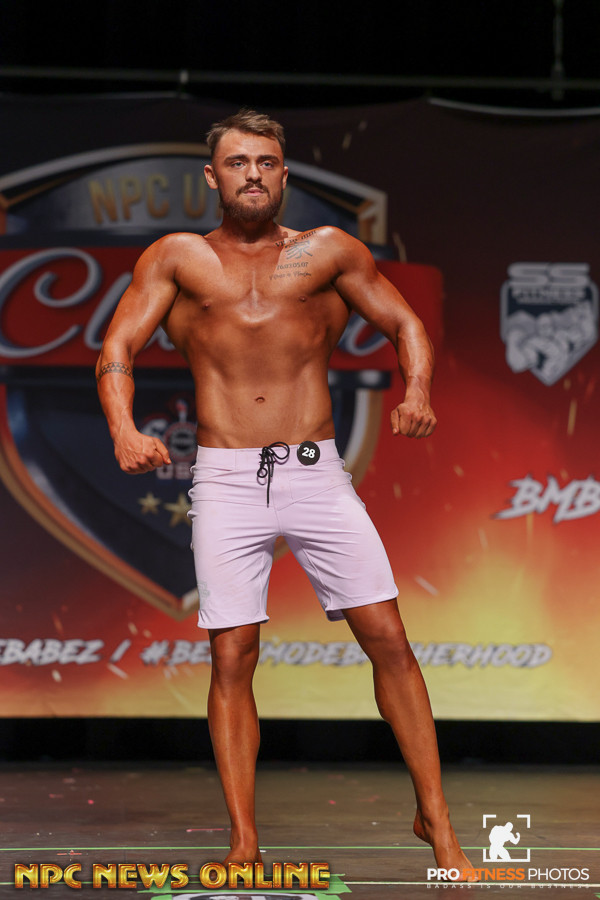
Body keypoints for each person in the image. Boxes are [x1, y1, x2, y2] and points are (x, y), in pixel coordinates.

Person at [96, 109, 473, 878]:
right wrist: (123, 430)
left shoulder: (328, 251)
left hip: (314, 473)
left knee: (388, 637)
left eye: (266, 162)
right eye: (238, 163)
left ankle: (437, 823)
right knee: (233, 653)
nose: (253, 175)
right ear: (212, 176)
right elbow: (118, 346)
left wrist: (418, 392)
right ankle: (244, 841)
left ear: (284, 173)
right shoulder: (177, 258)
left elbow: (405, 324)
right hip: (227, 477)